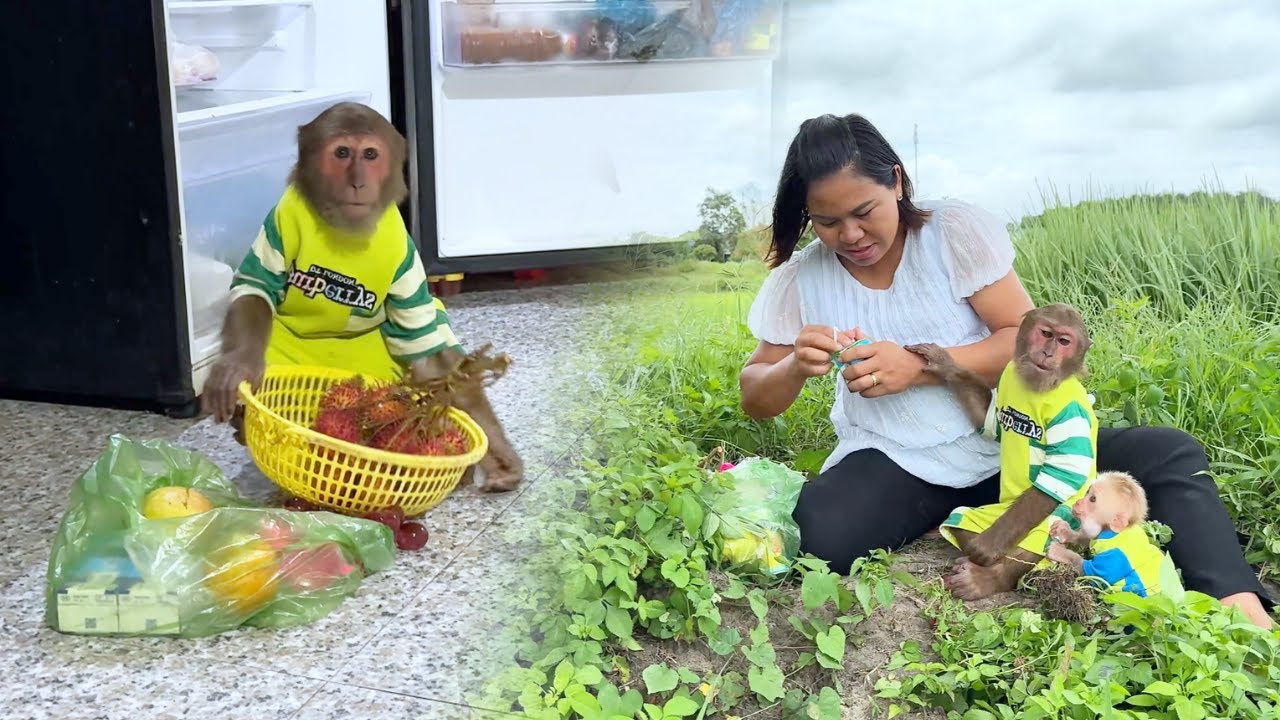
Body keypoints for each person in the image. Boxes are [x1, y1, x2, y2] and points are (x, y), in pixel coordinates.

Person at [738, 112, 1274, 628]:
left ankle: (1237, 599)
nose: (852, 235)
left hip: (1016, 446)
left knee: (1168, 453)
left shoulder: (951, 234)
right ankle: (953, 515)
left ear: (896, 182)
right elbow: (755, 397)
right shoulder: (802, 280)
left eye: (864, 211)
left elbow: (1025, 339)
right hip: (899, 462)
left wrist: (921, 368)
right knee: (820, 537)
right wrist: (794, 366)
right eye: (828, 222)